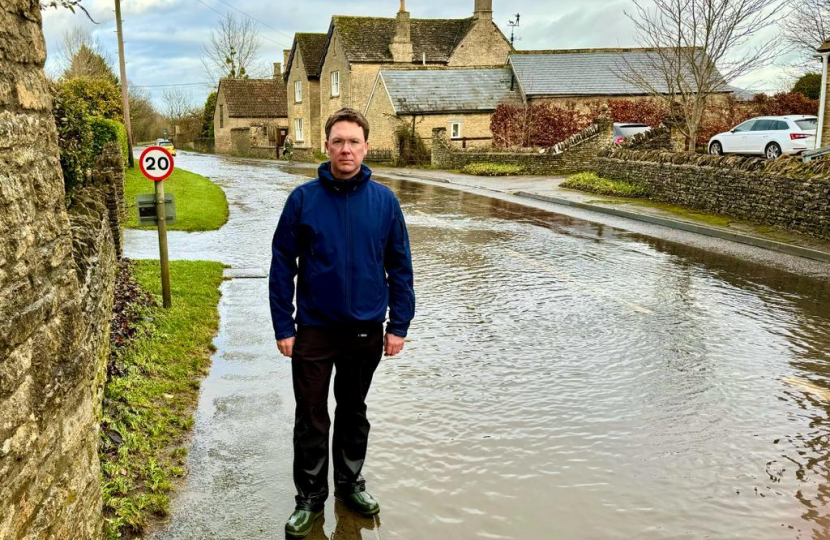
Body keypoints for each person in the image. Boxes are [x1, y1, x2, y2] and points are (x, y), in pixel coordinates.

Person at [269, 108, 415, 539]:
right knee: (311, 416)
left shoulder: (385, 202)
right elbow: (282, 265)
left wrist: (399, 324)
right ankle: (310, 499)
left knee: (353, 412)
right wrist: (284, 325)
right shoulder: (303, 200)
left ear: (365, 147)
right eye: (338, 141)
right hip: (314, 330)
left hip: (365, 331)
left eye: (353, 141)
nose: (346, 149)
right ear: (326, 145)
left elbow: (399, 266)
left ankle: (350, 485)